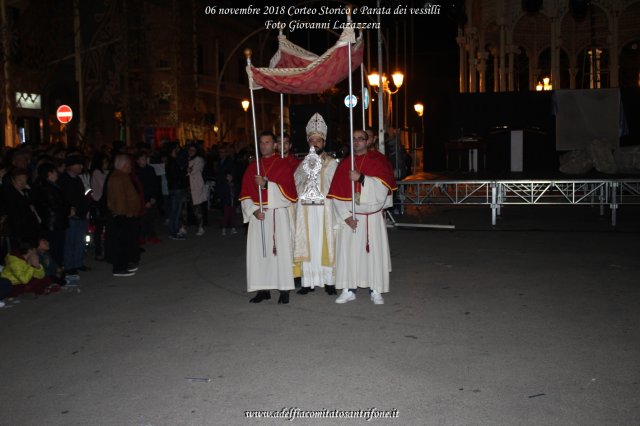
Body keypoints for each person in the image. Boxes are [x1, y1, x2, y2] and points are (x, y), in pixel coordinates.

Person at [327, 129, 397, 305]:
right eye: (353, 139)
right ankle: (349, 289)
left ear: (368, 141)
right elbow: (336, 195)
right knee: (349, 255)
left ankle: (375, 289)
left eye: (360, 139)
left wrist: (362, 178)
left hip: (371, 217)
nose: (357, 142)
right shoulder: (344, 164)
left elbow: (383, 189)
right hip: (352, 217)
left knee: (373, 255)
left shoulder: (378, 161)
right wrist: (345, 217)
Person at [239, 130, 297, 304]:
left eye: (267, 142)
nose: (264, 146)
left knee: (281, 252)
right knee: (259, 253)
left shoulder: (283, 165)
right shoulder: (252, 166)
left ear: (274, 145)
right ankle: (263, 289)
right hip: (259, 215)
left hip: (278, 214)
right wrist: (253, 210)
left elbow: (290, 194)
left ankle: (284, 289)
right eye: (261, 143)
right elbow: (245, 194)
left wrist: (266, 185)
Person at [293, 113, 338, 296]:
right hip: (306, 211)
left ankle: (329, 281)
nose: (315, 143)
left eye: (319, 140)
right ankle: (308, 281)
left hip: (325, 210)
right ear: (308, 142)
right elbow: (296, 184)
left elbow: (335, 186)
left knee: (325, 243)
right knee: (309, 243)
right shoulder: (302, 164)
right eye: (312, 140)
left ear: (324, 142)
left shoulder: (332, 163)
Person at [107, 154, 142, 277]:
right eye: (128, 165)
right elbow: (120, 199)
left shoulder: (122, 176)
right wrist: (123, 214)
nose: (130, 168)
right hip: (123, 215)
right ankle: (119, 268)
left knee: (126, 242)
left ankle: (125, 264)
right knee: (121, 243)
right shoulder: (117, 178)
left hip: (127, 214)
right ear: (124, 165)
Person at [32, 162, 69, 269]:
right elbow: (55, 205)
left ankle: (57, 272)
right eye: (55, 172)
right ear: (49, 173)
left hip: (54, 222)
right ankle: (55, 273)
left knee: (56, 249)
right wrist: (67, 209)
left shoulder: (47, 186)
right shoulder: (47, 188)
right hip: (54, 223)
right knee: (55, 249)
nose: (57, 174)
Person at [58, 154, 90, 276]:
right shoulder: (63, 180)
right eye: (78, 164)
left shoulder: (78, 179)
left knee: (80, 240)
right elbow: (63, 199)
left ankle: (78, 262)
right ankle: (69, 265)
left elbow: (83, 196)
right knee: (70, 241)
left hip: (81, 214)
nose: (81, 167)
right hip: (71, 215)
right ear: (70, 166)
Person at [184, 144, 208, 236]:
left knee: (197, 208)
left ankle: (201, 227)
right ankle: (184, 227)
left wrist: (187, 170)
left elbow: (192, 171)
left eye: (193, 150)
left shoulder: (199, 160)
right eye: (190, 150)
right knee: (185, 207)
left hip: (195, 187)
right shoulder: (188, 159)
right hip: (188, 186)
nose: (191, 152)